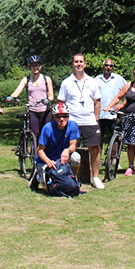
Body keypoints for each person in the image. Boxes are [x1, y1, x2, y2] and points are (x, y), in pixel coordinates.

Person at [56, 53, 104, 189]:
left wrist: (96, 119)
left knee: (95, 148)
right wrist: (62, 120)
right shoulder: (66, 82)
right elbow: (61, 103)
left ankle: (95, 177)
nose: (78, 64)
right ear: (72, 64)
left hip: (89, 121)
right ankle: (70, 177)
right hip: (72, 121)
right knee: (70, 150)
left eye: (81, 62)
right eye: (76, 62)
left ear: (85, 64)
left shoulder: (92, 81)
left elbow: (97, 101)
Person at [35, 101, 81, 194]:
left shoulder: (72, 125)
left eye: (65, 116)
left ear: (68, 116)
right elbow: (40, 150)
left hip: (62, 158)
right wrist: (48, 161)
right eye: (58, 116)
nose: (62, 119)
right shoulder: (47, 128)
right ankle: (38, 177)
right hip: (47, 160)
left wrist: (67, 150)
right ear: (54, 117)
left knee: (76, 157)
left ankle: (72, 178)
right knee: (50, 191)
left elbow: (73, 145)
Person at [8, 54, 54, 140]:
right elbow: (17, 92)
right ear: (30, 67)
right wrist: (11, 97)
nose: (35, 67)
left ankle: (46, 152)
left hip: (44, 111)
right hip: (33, 111)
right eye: (33, 65)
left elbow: (51, 96)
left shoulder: (46, 79)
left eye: (37, 65)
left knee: (46, 134)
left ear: (40, 66)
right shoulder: (26, 80)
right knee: (34, 134)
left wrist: (47, 100)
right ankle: (34, 151)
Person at [96, 58, 126, 149]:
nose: (108, 67)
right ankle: (97, 161)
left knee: (115, 140)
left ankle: (114, 161)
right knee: (98, 139)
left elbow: (129, 90)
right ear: (103, 66)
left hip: (113, 114)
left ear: (112, 68)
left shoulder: (118, 79)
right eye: (106, 65)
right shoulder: (97, 79)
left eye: (110, 66)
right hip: (100, 114)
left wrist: (123, 103)